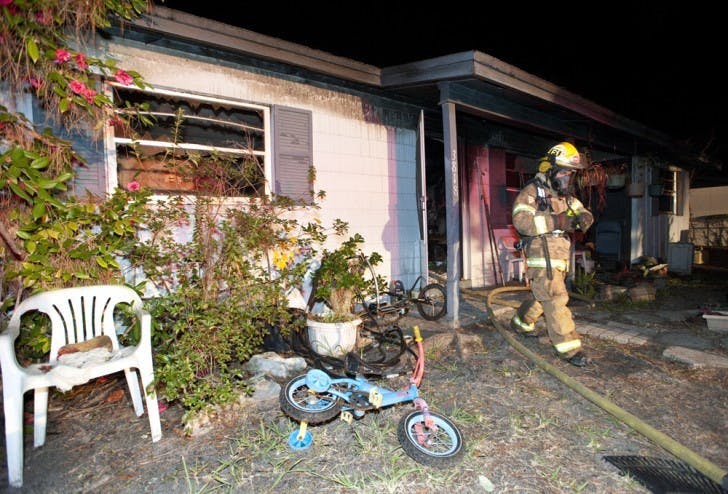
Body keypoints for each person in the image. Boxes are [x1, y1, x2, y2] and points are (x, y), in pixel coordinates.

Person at [510, 142, 594, 367]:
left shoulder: (565, 196)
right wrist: (557, 221)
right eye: (565, 172)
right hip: (541, 254)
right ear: (550, 169)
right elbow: (521, 222)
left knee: (543, 294)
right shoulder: (532, 192)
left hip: (558, 257)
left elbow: (581, 210)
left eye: (571, 173)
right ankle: (569, 348)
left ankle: (521, 322)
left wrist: (585, 217)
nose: (568, 177)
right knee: (555, 297)